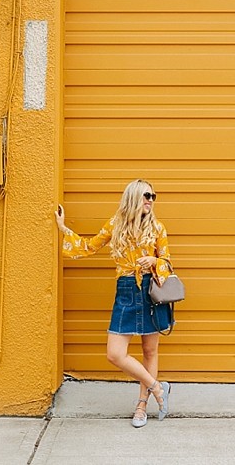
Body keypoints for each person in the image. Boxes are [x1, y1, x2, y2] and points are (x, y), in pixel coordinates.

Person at [55, 179, 173, 428]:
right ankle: (158, 387)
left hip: (151, 292)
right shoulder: (115, 225)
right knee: (115, 354)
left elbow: (167, 263)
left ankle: (142, 405)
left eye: (153, 196)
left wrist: (154, 261)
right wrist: (63, 229)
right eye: (146, 196)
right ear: (133, 198)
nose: (150, 200)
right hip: (127, 290)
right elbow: (88, 247)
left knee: (150, 351)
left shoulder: (158, 228)